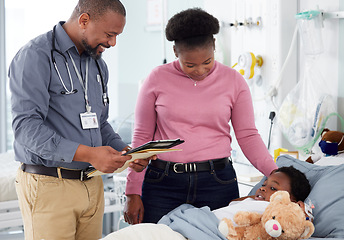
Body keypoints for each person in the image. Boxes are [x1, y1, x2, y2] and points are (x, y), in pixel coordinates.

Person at [9, 1, 152, 239]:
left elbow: (100, 123)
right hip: (49, 184)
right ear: (84, 21)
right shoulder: (36, 55)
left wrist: (126, 152)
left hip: (90, 184)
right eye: (109, 34)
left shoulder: (97, 64)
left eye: (117, 36)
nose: (113, 43)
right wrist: (90, 154)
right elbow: (26, 128)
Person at [124, 8, 278, 225]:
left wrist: (276, 173)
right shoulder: (156, 78)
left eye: (207, 61)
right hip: (162, 183)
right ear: (176, 51)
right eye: (190, 65)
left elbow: (248, 135)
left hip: (217, 182)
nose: (200, 70)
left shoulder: (234, 81)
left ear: (214, 46)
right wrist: (132, 192)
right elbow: (142, 137)